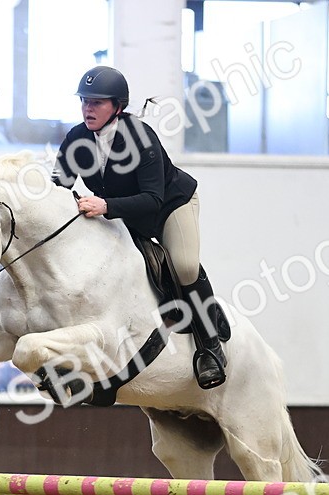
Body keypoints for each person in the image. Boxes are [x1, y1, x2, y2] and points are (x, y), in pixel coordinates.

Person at [51, 65, 228, 390]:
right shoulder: (77, 138)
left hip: (170, 207)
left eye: (97, 103)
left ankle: (210, 346)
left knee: (184, 266)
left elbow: (152, 198)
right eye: (84, 102)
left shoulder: (140, 136)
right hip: (125, 215)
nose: (88, 109)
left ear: (117, 106)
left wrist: (104, 206)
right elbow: (58, 187)